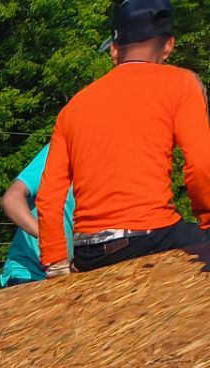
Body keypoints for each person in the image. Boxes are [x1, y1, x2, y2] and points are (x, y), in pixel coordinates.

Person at [38, 0, 210, 274]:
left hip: (88, 252)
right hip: (152, 238)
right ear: (168, 45)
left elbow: (48, 197)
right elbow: (202, 164)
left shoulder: (73, 107)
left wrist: (56, 260)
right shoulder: (181, 83)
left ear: (115, 49)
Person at [0, 143, 76, 285]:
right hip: (27, 274)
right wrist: (52, 242)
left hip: (65, 279)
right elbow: (11, 200)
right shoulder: (63, 149)